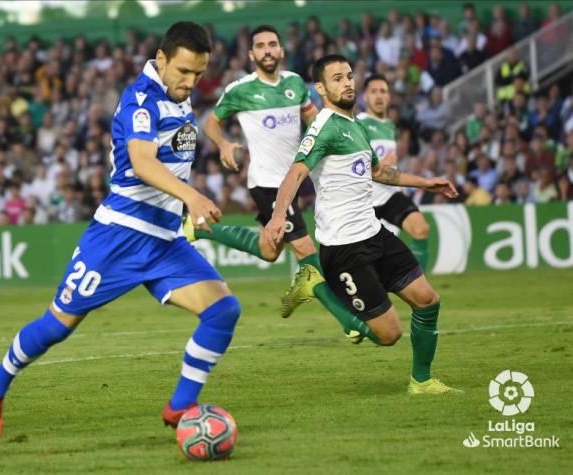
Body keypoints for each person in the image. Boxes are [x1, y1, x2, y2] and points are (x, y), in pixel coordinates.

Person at [0, 22, 243, 447]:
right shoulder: (142, 99)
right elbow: (141, 162)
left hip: (164, 240)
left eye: (199, 73)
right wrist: (192, 197)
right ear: (161, 60)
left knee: (223, 310)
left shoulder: (180, 95)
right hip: (118, 237)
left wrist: (183, 207)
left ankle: (179, 407)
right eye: (184, 72)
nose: (191, 82)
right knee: (57, 326)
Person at [265, 54, 461, 395]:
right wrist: (279, 214)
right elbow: (297, 171)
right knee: (389, 335)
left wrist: (426, 183)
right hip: (344, 249)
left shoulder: (355, 126)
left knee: (428, 300)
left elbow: (377, 172)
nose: (348, 83)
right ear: (321, 88)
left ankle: (422, 381)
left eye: (350, 76)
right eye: (338, 78)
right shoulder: (324, 125)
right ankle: (317, 286)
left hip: (375, 234)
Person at [187, 24, 373, 342]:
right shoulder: (240, 90)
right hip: (267, 183)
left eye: (273, 44)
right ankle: (348, 318)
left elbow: (313, 117)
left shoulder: (295, 83)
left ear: (281, 50)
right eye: (260, 46)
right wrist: (224, 145)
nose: (267, 50)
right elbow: (211, 122)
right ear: (252, 54)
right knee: (305, 248)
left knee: (269, 250)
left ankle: (199, 228)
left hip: (294, 181)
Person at [357, 73, 430, 271]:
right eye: (374, 92)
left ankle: (418, 283)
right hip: (365, 203)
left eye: (383, 91)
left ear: (389, 97)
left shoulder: (389, 126)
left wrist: (399, 187)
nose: (379, 96)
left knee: (421, 228)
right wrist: (379, 165)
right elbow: (352, 164)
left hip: (389, 196)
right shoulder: (359, 123)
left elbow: (391, 167)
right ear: (365, 97)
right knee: (367, 266)